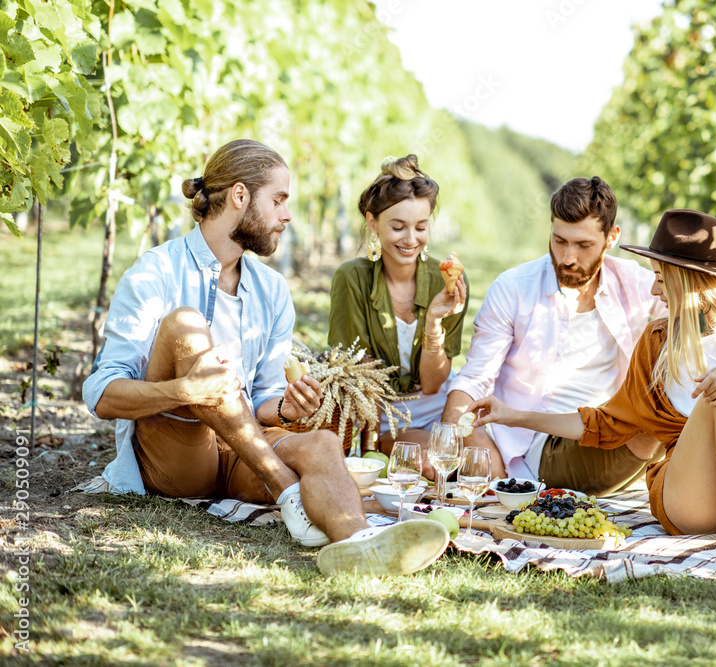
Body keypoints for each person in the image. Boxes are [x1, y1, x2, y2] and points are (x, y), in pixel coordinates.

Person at [83, 140, 449, 576]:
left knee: (322, 444)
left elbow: (262, 399)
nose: (287, 215)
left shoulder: (272, 291)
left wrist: (284, 406)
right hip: (180, 454)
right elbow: (102, 394)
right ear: (240, 196)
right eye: (278, 200)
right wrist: (183, 390)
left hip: (243, 450)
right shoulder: (154, 273)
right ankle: (285, 489)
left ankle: (359, 544)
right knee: (183, 324)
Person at [466, 209, 716, 603]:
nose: (654, 292)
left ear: (692, 282)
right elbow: (604, 423)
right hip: (692, 496)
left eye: (661, 280)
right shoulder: (658, 341)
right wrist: (511, 415)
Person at [440, 177, 667, 494]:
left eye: (584, 245)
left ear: (611, 237)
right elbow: (474, 377)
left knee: (679, 391)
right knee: (654, 419)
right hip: (538, 445)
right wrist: (461, 433)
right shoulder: (514, 288)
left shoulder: (636, 283)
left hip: (609, 430)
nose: (568, 258)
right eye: (559, 241)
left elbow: (693, 313)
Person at [327, 155, 467, 469]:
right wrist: (371, 448)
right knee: (429, 462)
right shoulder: (353, 278)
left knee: (486, 465)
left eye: (420, 227)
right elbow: (360, 376)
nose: (410, 239)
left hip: (439, 404)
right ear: (372, 222)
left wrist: (433, 323)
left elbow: (432, 385)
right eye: (398, 227)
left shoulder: (447, 279)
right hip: (387, 413)